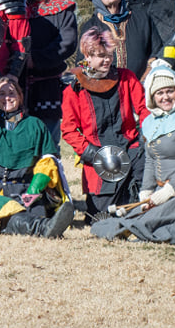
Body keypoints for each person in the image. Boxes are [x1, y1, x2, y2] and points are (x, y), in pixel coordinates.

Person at [90, 62, 175, 244]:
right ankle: (123, 228)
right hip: (160, 192)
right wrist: (146, 191)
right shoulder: (150, 123)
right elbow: (151, 160)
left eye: (170, 91)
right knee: (130, 218)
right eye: (159, 93)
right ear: (152, 96)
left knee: (146, 223)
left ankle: (132, 231)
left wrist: (170, 190)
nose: (165, 97)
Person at [0, 74, 74, 237]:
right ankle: (42, 228)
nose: (7, 98)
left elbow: (48, 161)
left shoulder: (34, 124)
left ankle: (44, 226)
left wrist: (33, 192)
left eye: (11, 93)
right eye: (1, 94)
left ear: (20, 97)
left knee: (20, 215)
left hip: (24, 190)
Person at [61, 24, 148, 219]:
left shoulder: (126, 77)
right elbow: (68, 129)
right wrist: (91, 153)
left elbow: (144, 110)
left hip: (131, 148)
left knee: (142, 199)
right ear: (88, 57)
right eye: (101, 56)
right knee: (100, 217)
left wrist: (143, 139)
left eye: (109, 54)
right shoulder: (74, 89)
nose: (107, 60)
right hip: (98, 154)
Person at [18, 0, 79, 126]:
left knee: (48, 144)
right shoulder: (11, 7)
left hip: (48, 87)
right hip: (14, 86)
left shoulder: (60, 8)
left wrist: (35, 60)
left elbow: (67, 42)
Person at [86, 0, 164, 78]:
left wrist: (146, 76)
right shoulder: (90, 27)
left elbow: (157, 51)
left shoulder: (141, 18)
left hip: (141, 87)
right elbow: (83, 63)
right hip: (105, 90)